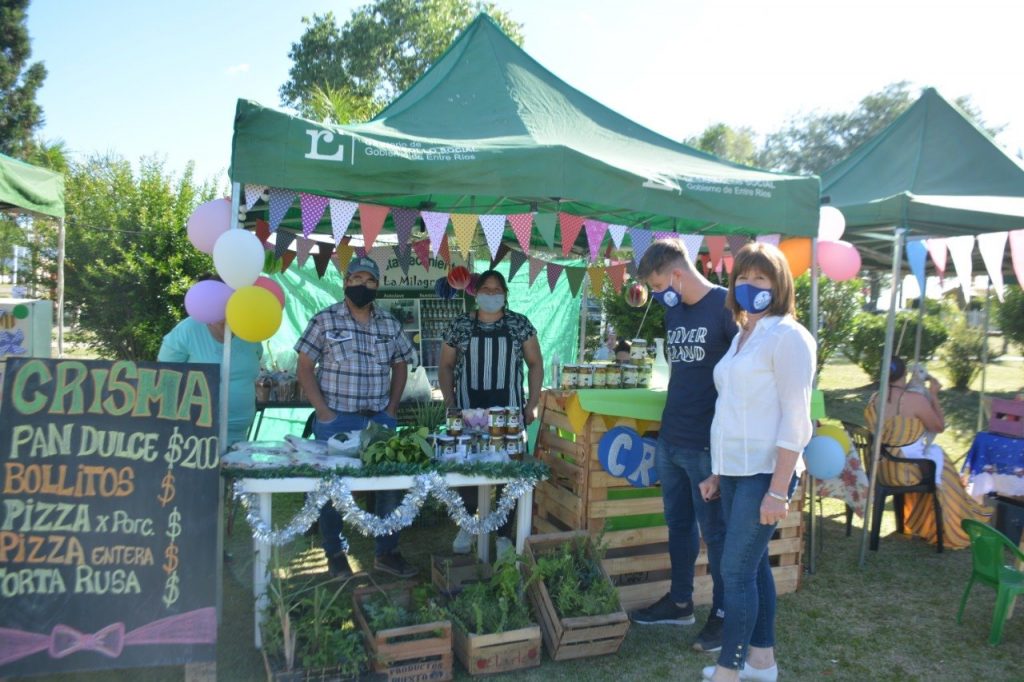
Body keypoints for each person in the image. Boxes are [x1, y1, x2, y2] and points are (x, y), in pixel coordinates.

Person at [702, 242, 816, 682]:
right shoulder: (744, 335)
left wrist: (777, 488)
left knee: (734, 570)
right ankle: (762, 662)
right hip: (734, 470)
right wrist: (717, 469)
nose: (750, 286)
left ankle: (729, 669)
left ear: (780, 285)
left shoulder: (789, 337)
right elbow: (733, 409)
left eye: (761, 278)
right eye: (743, 278)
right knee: (750, 565)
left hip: (767, 473)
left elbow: (796, 418)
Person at [632, 238, 737, 654]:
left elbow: (742, 379)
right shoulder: (673, 309)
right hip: (671, 437)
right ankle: (680, 602)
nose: (657, 295)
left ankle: (725, 614)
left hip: (707, 444)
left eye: (658, 286)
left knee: (717, 532)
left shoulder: (727, 307)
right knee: (678, 524)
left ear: (677, 273)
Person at [295, 256, 418, 579]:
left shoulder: (389, 324)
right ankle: (334, 553)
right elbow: (304, 368)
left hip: (379, 420)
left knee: (390, 485)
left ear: (377, 286)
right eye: (358, 279)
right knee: (334, 488)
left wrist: (392, 408)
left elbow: (402, 362)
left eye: (371, 281)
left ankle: (387, 552)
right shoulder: (325, 321)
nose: (364, 286)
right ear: (346, 282)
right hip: (336, 420)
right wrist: (323, 411)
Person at [437, 269, 543, 553]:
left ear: (506, 295)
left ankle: (505, 534)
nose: (492, 295)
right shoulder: (459, 325)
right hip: (469, 412)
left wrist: (532, 404)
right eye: (487, 289)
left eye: (498, 290)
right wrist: (450, 403)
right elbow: (445, 366)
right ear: (476, 292)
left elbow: (535, 364)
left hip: (509, 414)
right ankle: (467, 526)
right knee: (468, 467)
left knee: (510, 470)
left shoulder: (520, 324)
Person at [864, 356, 988, 549]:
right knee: (942, 465)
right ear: (905, 374)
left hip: (881, 467)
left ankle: (921, 522)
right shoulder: (914, 400)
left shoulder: (875, 398)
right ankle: (947, 526)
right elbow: (938, 426)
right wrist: (934, 395)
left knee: (933, 459)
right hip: (905, 471)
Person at [158, 274, 262, 446]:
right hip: (195, 435)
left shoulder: (249, 330)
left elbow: (254, 362)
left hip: (239, 435)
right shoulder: (187, 330)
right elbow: (165, 378)